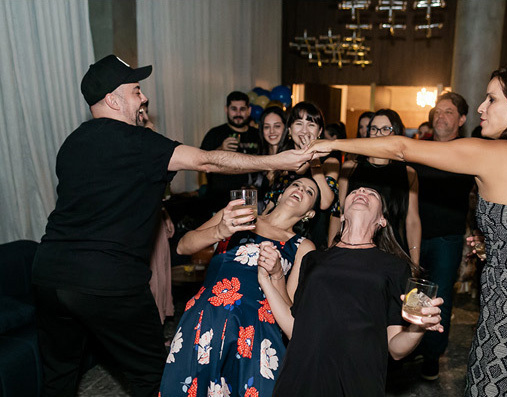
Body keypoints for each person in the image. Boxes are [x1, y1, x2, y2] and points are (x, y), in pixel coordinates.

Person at [306, 64, 507, 396]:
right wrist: (506, 247)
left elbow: (401, 148)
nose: (482, 109)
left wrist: (326, 145)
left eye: (491, 99)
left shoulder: (497, 153)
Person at [32, 54, 312, 397]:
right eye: (136, 90)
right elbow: (207, 159)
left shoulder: (70, 145)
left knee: (58, 378)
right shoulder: (137, 142)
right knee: (153, 379)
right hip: (107, 278)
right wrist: (276, 159)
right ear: (113, 99)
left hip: (49, 274)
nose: (144, 97)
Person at [262, 186, 444, 396]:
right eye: (355, 190)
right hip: (302, 375)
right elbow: (296, 328)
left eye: (372, 194)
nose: (362, 191)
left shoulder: (394, 267)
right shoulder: (313, 259)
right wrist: (268, 279)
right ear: (342, 215)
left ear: (382, 221)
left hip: (357, 379)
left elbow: (395, 349)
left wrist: (418, 328)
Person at [159, 179, 321, 397]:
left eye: (309, 191)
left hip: (256, 330)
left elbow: (289, 308)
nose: (300, 190)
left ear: (309, 213)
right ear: (280, 195)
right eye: (296, 185)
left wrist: (277, 274)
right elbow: (183, 245)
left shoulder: (302, 246)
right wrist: (220, 230)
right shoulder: (240, 214)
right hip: (209, 316)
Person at [410, 91, 479, 380]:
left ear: (462, 119)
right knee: (412, 292)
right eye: (437, 111)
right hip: (413, 232)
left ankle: (431, 354)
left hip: (447, 239)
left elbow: (481, 193)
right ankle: (409, 346)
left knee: (440, 298)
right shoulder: (419, 148)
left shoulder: (468, 151)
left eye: (448, 111)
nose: (440, 116)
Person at [338, 109, 422, 263]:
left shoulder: (408, 173)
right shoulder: (350, 168)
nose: (378, 134)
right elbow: (339, 214)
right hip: (353, 249)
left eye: (385, 129)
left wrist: (414, 262)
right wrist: (333, 249)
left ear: (396, 133)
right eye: (374, 129)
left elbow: (412, 221)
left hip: (393, 251)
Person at [264, 102, 340, 248]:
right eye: (299, 123)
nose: (304, 131)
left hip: (312, 243)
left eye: (311, 125)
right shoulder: (281, 162)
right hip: (275, 239)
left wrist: (313, 159)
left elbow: (325, 202)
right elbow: (270, 207)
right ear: (290, 130)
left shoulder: (330, 162)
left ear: (319, 132)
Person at [200, 91, 265, 213]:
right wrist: (220, 150)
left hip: (253, 203)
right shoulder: (215, 134)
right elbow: (200, 164)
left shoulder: (259, 135)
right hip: (220, 203)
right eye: (234, 109)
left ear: (249, 110)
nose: (238, 114)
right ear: (226, 109)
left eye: (242, 109)